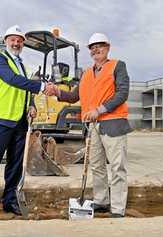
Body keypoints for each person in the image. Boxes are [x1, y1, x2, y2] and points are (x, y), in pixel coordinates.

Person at [46, 33, 132, 218]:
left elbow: (122, 93)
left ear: (107, 47)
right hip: (92, 126)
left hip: (113, 123)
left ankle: (117, 208)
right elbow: (74, 96)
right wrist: (57, 92)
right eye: (93, 47)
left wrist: (100, 110)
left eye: (100, 46)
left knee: (117, 167)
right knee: (97, 166)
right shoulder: (85, 73)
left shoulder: (117, 66)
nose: (96, 50)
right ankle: (102, 200)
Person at [0, 25, 51, 217]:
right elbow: (11, 79)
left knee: (15, 165)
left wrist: (31, 104)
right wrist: (40, 85)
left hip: (19, 122)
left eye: (19, 40)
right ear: (6, 41)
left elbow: (22, 88)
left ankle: (10, 201)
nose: (16, 43)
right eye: (13, 40)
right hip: (0, 119)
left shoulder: (22, 65)